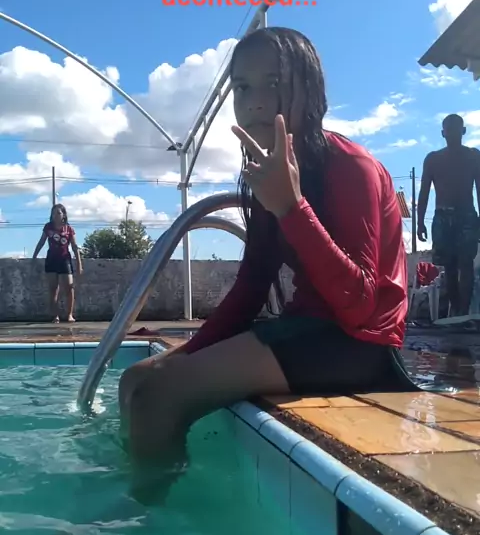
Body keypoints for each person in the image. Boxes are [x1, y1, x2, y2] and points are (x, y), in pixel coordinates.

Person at [119, 26, 414, 465]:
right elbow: (252, 284)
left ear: (310, 91)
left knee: (158, 395)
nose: (255, 101)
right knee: (136, 379)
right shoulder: (264, 171)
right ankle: (145, 483)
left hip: (360, 345)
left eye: (273, 83)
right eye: (242, 87)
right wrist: (186, 353)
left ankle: (148, 505)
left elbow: (361, 307)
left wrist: (291, 207)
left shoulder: (351, 166)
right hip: (304, 328)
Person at [417, 114, 480, 316]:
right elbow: (424, 192)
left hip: (466, 215)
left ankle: (463, 312)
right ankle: (456, 312)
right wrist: (420, 222)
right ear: (443, 133)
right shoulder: (433, 159)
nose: (452, 134)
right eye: (449, 130)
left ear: (463, 131)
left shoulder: (473, 156)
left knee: (466, 263)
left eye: (456, 129)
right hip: (442, 217)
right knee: (449, 265)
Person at [33, 204, 83, 323]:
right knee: (53, 288)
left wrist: (79, 264)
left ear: (63, 215)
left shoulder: (69, 229)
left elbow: (75, 247)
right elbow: (41, 242)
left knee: (69, 287)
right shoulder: (48, 227)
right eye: (54, 213)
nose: (56, 215)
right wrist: (34, 256)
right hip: (51, 259)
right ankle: (55, 315)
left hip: (65, 259)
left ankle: (69, 314)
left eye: (58, 213)